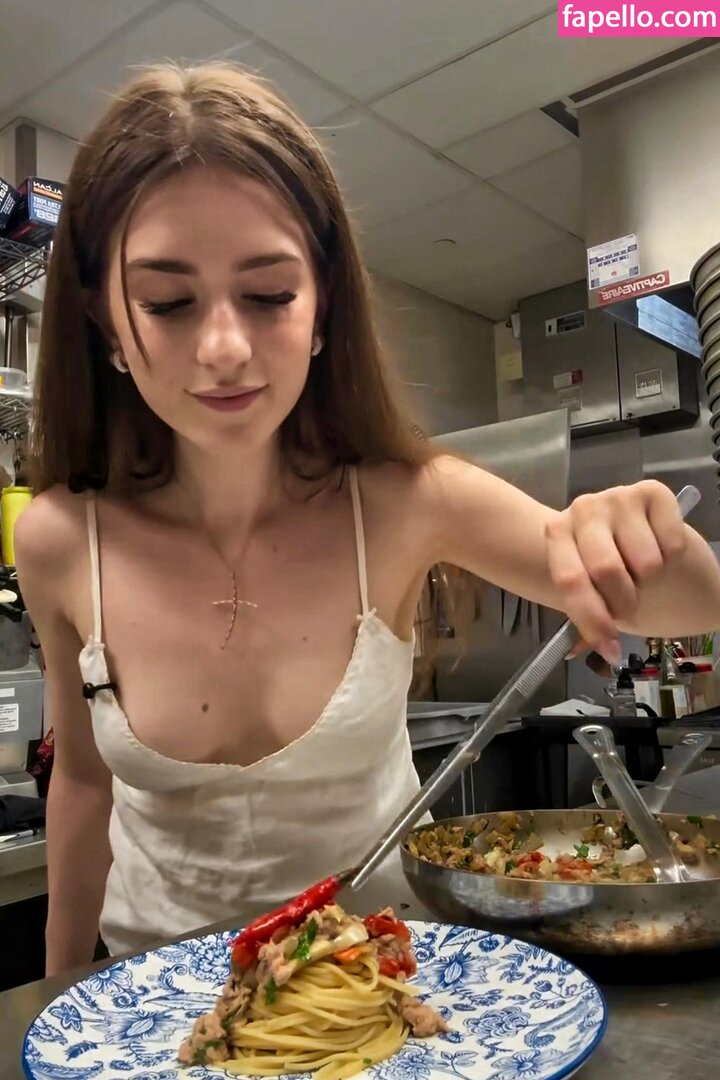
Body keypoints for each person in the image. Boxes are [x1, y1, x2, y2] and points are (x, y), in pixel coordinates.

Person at [16, 63, 720, 977]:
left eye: (269, 294)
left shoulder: (404, 499)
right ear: (107, 324)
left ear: (323, 310)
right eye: (168, 302)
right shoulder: (60, 540)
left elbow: (689, 602)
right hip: (157, 1006)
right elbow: (81, 781)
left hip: (376, 994)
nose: (224, 347)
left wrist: (635, 531)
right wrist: (56, 991)